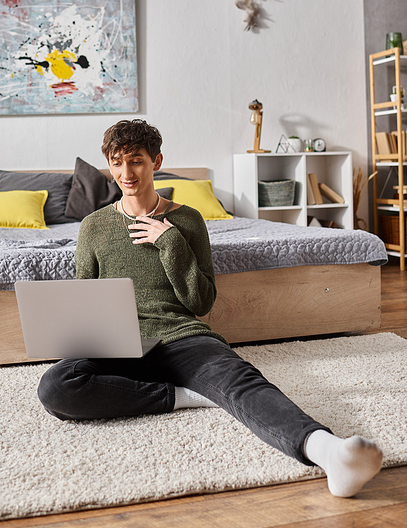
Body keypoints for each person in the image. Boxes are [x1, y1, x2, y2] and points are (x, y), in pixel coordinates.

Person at [38, 119, 383, 498]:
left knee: (243, 382)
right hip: (117, 342)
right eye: (117, 162)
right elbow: (85, 298)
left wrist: (171, 241)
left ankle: (328, 451)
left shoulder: (188, 221)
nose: (126, 172)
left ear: (156, 161)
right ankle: (187, 396)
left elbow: (201, 302)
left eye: (136, 161)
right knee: (56, 387)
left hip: (183, 337)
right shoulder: (93, 226)